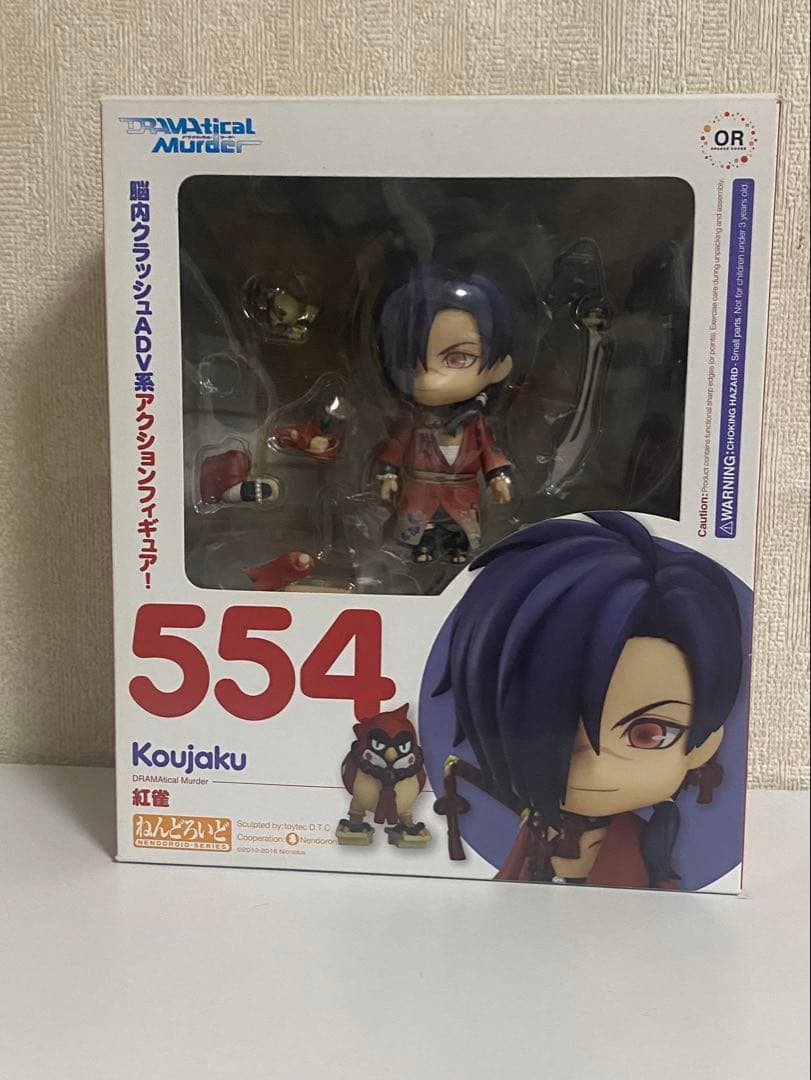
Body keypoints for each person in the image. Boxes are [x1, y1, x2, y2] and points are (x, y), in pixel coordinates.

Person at [431, 512, 743, 889]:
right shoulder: (533, 827)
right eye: (547, 725)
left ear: (704, 743)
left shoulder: (648, 840)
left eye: (648, 734)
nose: (595, 765)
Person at [376, 273, 514, 564]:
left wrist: (498, 478)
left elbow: (490, 451)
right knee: (420, 524)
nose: (430, 379)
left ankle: (457, 548)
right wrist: (389, 474)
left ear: (499, 367)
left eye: (458, 359)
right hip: (420, 487)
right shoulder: (414, 420)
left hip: (460, 487)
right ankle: (422, 548)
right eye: (412, 362)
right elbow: (396, 447)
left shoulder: (475, 423)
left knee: (458, 523)